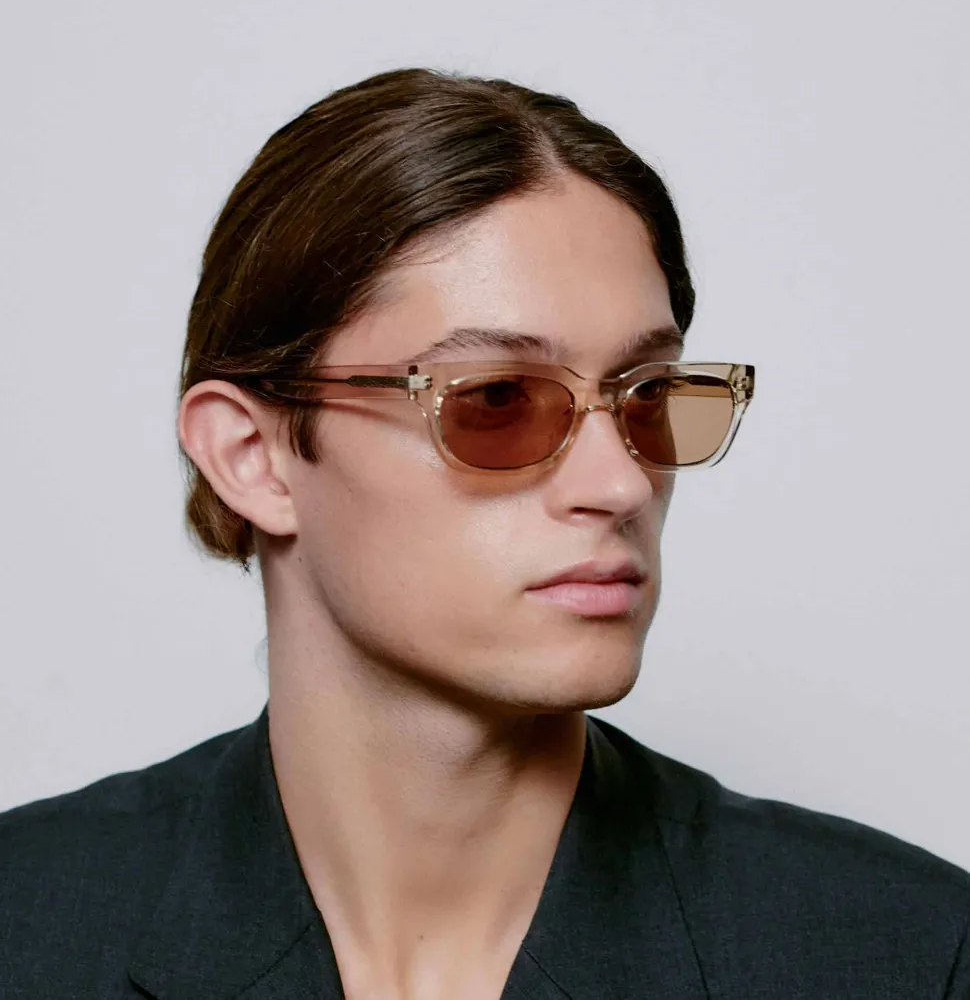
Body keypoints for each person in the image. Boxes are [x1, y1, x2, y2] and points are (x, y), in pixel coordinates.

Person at [0, 66, 967, 1000]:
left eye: (648, 395)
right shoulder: (28, 924)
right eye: (497, 398)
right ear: (252, 456)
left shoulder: (907, 954)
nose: (622, 482)